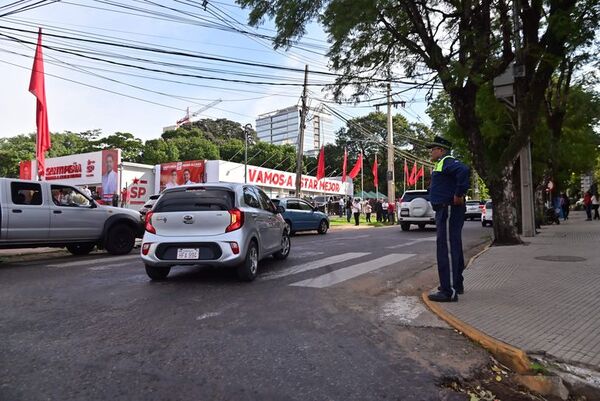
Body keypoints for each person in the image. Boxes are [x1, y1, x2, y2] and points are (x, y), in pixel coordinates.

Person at [426, 136, 470, 303]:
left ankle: (448, 291)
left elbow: (463, 170)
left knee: (447, 249)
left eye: (433, 149)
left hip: (448, 209)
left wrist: (459, 194)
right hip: (446, 209)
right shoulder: (441, 163)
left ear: (441, 150)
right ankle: (456, 284)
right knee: (454, 245)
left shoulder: (447, 161)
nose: (431, 152)